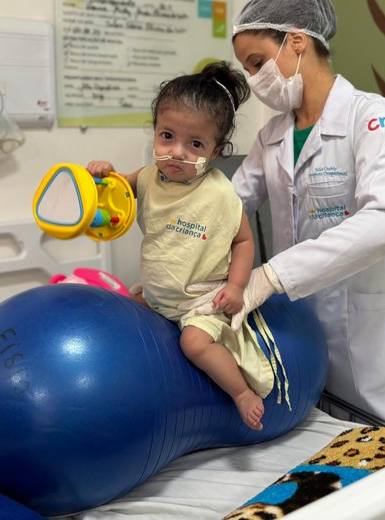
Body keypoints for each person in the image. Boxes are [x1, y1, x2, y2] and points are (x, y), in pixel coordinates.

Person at [185, 0, 385, 432]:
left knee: (384, 476)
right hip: (294, 344)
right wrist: (175, 252)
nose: (256, 81)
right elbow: (228, 207)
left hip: (365, 356)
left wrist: (270, 277)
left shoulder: (370, 116)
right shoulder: (273, 134)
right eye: (249, 70)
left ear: (296, 40)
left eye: (258, 63)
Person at [86, 61, 276, 431]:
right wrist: (102, 173)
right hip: (159, 294)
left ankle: (240, 393)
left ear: (216, 149)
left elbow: (243, 240)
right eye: (167, 136)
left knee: (193, 344)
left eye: (195, 144)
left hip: (199, 299)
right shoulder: (146, 178)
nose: (176, 152)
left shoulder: (220, 193)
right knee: (121, 311)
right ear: (155, 132)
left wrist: (236, 288)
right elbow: (114, 192)